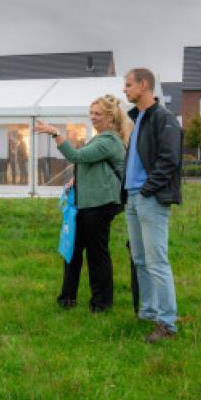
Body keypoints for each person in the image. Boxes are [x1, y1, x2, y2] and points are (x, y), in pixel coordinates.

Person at [35, 95, 127, 313]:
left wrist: (56, 133)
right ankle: (67, 298)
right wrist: (76, 179)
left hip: (100, 204)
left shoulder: (109, 141)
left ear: (110, 117)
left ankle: (101, 303)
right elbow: (92, 165)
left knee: (97, 255)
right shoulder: (100, 138)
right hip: (86, 203)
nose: (92, 117)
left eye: (98, 113)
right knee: (73, 250)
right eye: (91, 113)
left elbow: (76, 156)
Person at [122, 67, 182, 343]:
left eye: (128, 84)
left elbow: (170, 159)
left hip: (150, 198)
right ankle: (148, 312)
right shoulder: (138, 118)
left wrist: (147, 189)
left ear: (144, 85)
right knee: (140, 260)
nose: (125, 89)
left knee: (157, 261)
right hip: (132, 198)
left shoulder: (163, 118)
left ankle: (167, 323)